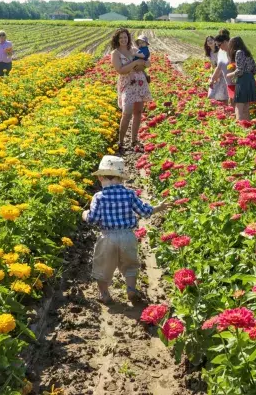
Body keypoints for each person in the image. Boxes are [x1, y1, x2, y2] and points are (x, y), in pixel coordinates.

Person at [83, 155, 169, 304]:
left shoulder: (99, 196)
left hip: (107, 237)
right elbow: (144, 211)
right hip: (128, 236)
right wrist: (158, 208)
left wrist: (84, 214)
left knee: (103, 266)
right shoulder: (129, 194)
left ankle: (105, 294)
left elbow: (93, 219)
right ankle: (130, 290)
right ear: (121, 178)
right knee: (130, 265)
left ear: (101, 177)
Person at [110, 28, 151, 152]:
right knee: (126, 112)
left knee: (138, 112)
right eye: (121, 37)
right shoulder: (115, 53)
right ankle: (121, 141)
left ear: (128, 38)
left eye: (125, 37)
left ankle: (134, 140)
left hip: (139, 83)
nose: (123, 39)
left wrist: (144, 63)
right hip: (127, 84)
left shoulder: (133, 50)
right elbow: (120, 70)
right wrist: (136, 63)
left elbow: (147, 63)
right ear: (117, 39)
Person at [225, 36, 256, 122]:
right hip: (250, 79)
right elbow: (255, 69)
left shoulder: (239, 52)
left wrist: (230, 74)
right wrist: (249, 76)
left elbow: (240, 70)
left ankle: (239, 127)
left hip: (243, 80)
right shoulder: (247, 52)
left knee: (239, 107)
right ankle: (247, 127)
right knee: (246, 107)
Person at [207, 35, 229, 102]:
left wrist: (215, 76)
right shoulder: (210, 52)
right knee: (215, 94)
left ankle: (226, 107)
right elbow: (213, 65)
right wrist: (212, 75)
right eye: (208, 40)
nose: (210, 41)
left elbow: (220, 65)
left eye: (211, 40)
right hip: (216, 73)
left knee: (222, 93)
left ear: (215, 42)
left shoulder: (220, 51)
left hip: (222, 73)